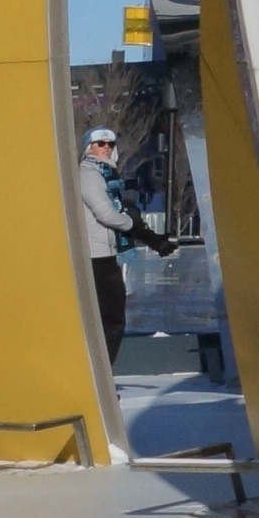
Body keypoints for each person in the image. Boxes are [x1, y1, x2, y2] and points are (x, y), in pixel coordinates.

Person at [75, 123, 168, 364]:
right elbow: (106, 213)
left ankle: (99, 372)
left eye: (110, 144)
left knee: (106, 320)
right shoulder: (89, 173)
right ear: (88, 148)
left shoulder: (105, 176)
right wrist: (132, 225)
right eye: (100, 144)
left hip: (105, 253)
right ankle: (100, 374)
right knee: (112, 320)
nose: (106, 148)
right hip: (97, 256)